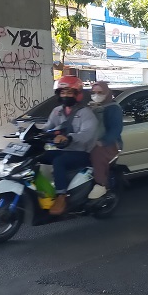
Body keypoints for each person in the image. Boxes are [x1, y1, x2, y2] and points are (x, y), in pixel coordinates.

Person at [41, 76, 98, 215]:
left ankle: (61, 196)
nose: (65, 95)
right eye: (62, 92)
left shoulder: (86, 113)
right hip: (65, 150)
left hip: (83, 153)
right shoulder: (57, 111)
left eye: (69, 92)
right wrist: (32, 132)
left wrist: (69, 138)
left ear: (77, 94)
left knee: (58, 161)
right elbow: (48, 127)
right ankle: (43, 190)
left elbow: (86, 135)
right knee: (39, 157)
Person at [87, 81, 123, 200]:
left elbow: (116, 129)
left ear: (107, 93)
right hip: (91, 140)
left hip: (110, 143)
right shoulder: (91, 106)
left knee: (97, 154)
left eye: (100, 92)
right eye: (94, 92)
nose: (96, 95)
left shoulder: (114, 108)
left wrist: (103, 142)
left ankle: (101, 184)